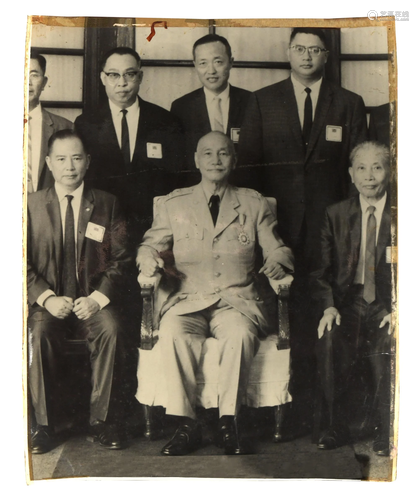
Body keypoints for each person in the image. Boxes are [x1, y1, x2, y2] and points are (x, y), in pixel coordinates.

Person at [237, 28, 368, 430]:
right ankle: (281, 407)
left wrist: (350, 227)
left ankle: (321, 410)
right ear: (288, 52)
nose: (307, 56)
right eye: (299, 49)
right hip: (275, 227)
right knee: (281, 310)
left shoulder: (348, 103)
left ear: (326, 56)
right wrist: (260, 227)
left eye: (315, 50)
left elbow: (356, 169)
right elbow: (249, 168)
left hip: (331, 229)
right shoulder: (263, 100)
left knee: (325, 308)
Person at [136, 131, 294, 456]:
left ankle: (228, 422)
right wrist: (147, 257)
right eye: (208, 154)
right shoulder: (174, 203)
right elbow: (149, 245)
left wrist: (278, 261)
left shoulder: (253, 203)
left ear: (233, 160)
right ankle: (186, 424)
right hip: (187, 299)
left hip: (235, 301)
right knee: (172, 333)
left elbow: (277, 248)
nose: (216, 160)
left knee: (240, 336)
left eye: (223, 154)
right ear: (196, 160)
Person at [27, 130, 132, 454]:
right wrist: (47, 297)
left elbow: (121, 259)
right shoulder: (30, 205)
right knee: (41, 333)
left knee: (112, 329)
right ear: (48, 163)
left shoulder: (107, 203)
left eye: (76, 158)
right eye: (61, 159)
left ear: (87, 161)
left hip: (93, 302)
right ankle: (46, 426)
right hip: (51, 303)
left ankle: (104, 422)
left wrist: (97, 299)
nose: (69, 166)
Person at [311, 141, 394, 456]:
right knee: (330, 337)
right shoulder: (336, 214)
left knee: (390, 343)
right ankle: (335, 426)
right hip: (348, 302)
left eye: (377, 167)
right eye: (362, 168)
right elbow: (320, 271)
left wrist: (403, 308)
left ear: (389, 171)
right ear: (350, 173)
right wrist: (329, 306)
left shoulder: (406, 212)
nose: (369, 176)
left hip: (388, 304)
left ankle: (386, 431)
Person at [74, 46, 184, 246]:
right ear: (103, 78)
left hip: (153, 228)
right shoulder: (86, 124)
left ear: (140, 76)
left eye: (129, 74)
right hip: (102, 224)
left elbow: (175, 180)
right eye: (114, 75)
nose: (122, 83)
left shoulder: (165, 121)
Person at [171, 34, 251, 184]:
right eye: (203, 63)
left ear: (231, 62)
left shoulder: (251, 102)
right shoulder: (181, 107)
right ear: (195, 65)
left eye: (218, 62)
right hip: (197, 193)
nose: (211, 70)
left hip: (243, 190)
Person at [28, 51, 73, 193]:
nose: (27, 81)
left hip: (48, 212)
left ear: (44, 82)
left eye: (34, 75)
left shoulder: (64, 127)